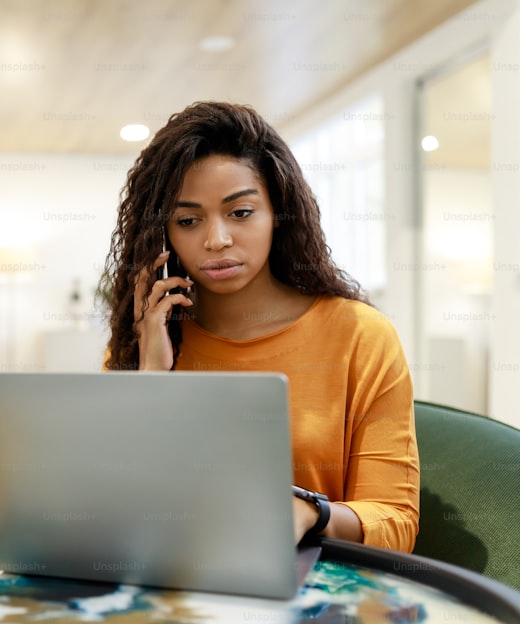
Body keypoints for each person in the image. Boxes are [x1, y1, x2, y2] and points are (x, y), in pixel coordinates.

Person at [101, 101, 419, 553]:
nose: (216, 240)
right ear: (165, 234)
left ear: (278, 213)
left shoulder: (359, 336)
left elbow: (395, 522)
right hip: (175, 586)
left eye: (241, 212)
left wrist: (308, 511)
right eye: (188, 220)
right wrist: (151, 380)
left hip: (314, 595)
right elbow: (112, 505)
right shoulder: (149, 339)